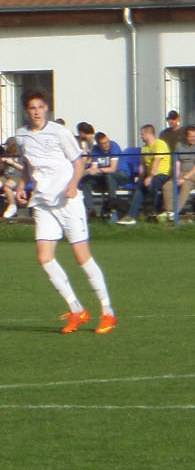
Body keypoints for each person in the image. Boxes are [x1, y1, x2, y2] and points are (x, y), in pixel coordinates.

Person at [14, 92, 115, 332]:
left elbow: (78, 163)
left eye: (40, 106)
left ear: (46, 108)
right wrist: (20, 185)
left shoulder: (60, 132)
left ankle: (108, 311)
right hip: (43, 202)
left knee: (82, 257)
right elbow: (27, 165)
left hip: (67, 201)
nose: (37, 111)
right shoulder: (21, 135)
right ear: (26, 110)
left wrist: (73, 184)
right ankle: (76, 309)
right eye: (32, 107)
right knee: (44, 258)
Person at [118, 123, 171, 223]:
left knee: (150, 184)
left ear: (148, 134)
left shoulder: (160, 144)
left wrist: (149, 177)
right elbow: (143, 165)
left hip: (162, 174)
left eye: (142, 134)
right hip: (151, 175)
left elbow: (156, 162)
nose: (141, 136)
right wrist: (141, 178)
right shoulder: (144, 148)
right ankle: (131, 216)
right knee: (140, 188)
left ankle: (157, 209)